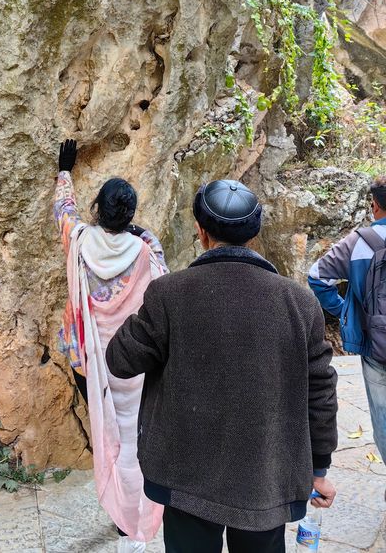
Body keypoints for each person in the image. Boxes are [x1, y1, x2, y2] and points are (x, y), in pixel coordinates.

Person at [106, 178, 338, 553]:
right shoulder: (299, 302)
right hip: (266, 478)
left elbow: (119, 360)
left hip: (185, 476)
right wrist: (320, 470)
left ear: (201, 232)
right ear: (254, 234)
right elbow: (322, 393)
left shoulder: (170, 294)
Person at [54, 139, 168, 553]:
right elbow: (164, 273)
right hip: (133, 362)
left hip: (91, 361)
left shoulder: (80, 241)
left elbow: (63, 213)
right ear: (131, 216)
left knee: (108, 435)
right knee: (136, 438)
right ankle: (133, 521)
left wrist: (64, 171)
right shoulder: (143, 252)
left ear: (98, 209)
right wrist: (142, 233)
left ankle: (121, 514)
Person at [308, 174, 386, 462]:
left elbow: (317, 277)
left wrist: (346, 311)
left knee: (383, 424)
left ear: (375, 205)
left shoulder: (360, 242)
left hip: (377, 347)